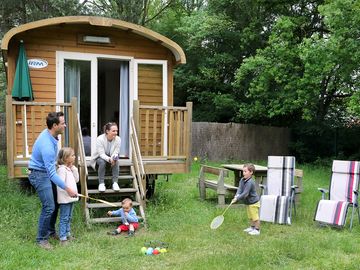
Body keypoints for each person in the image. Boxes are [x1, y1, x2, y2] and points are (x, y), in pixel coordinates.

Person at [28, 112, 78, 250]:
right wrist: (68, 188)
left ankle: (50, 232)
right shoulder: (47, 145)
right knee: (49, 206)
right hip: (39, 174)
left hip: (45, 171)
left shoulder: (52, 136)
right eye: (62, 123)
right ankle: (41, 239)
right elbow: (51, 174)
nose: (65, 125)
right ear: (55, 125)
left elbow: (51, 165)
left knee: (55, 203)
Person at [56, 147, 79, 245]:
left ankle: (68, 233)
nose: (74, 157)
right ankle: (62, 237)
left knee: (69, 217)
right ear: (66, 158)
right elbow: (60, 184)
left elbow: (76, 180)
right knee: (64, 218)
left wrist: (74, 168)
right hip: (65, 198)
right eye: (72, 155)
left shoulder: (69, 169)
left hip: (71, 198)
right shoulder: (61, 170)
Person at [231, 163, 261, 236]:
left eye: (245, 171)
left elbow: (245, 193)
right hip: (248, 202)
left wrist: (237, 198)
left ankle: (257, 230)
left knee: (255, 217)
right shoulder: (242, 180)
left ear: (251, 172)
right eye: (243, 171)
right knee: (250, 216)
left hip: (253, 202)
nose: (243, 173)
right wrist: (236, 196)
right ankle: (252, 227)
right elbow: (240, 189)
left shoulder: (250, 182)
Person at [91, 122, 121, 192]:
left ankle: (115, 183)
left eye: (117, 131)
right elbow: (101, 154)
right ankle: (101, 183)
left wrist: (114, 159)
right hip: (98, 158)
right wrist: (110, 159)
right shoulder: (100, 139)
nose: (116, 133)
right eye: (113, 131)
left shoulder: (118, 139)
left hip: (110, 159)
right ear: (107, 131)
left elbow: (116, 152)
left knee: (117, 160)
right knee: (102, 161)